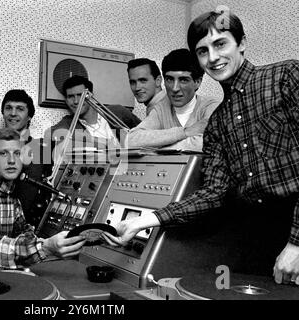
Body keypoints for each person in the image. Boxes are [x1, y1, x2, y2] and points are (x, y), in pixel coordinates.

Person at [103, 10, 299, 285]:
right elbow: (214, 193)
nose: (213, 58)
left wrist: (296, 242)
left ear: (241, 43)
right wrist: (143, 221)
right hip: (260, 241)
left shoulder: (285, 76)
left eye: (221, 44)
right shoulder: (219, 121)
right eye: (203, 51)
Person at [0, 128, 86, 271]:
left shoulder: (12, 199)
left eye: (17, 153)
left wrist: (67, 241)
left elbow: (25, 235)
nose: (11, 160)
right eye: (3, 153)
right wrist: (46, 248)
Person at [128, 48, 220, 152]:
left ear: (197, 82)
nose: (175, 88)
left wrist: (157, 150)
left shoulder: (211, 106)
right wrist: (185, 132)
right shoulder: (162, 108)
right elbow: (131, 140)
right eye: (169, 79)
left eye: (183, 80)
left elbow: (208, 143)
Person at [44, 75, 141, 156]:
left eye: (80, 95)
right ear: (66, 100)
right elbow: (48, 134)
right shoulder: (69, 122)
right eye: (70, 96)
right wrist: (101, 142)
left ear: (90, 95)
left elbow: (146, 133)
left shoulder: (117, 112)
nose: (76, 101)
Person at [1, 89, 52, 227]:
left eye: (20, 109)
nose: (13, 113)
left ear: (29, 116)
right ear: (3, 113)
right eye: (8, 108)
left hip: (28, 224)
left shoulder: (41, 150)